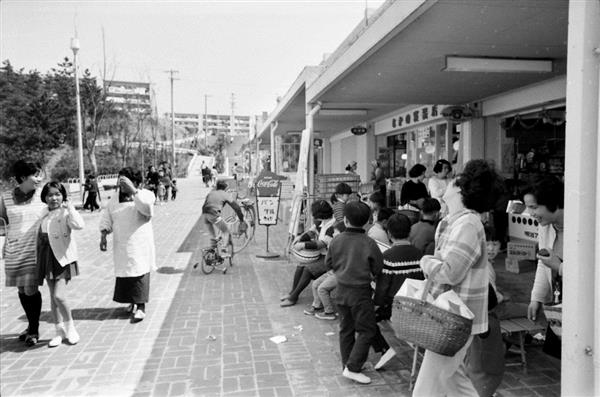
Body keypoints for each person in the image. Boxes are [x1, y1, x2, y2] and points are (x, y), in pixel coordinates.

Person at [414, 159, 503, 396]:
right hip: (452, 315)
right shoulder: (456, 221)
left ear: (460, 190)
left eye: (455, 180)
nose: (448, 182)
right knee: (455, 384)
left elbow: (450, 271)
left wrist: (425, 261)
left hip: (454, 319)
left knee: (427, 388)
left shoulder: (467, 224)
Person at [326, 201, 384, 385]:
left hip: (341, 290)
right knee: (367, 330)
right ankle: (352, 368)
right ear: (368, 221)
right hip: (361, 292)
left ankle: (348, 364)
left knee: (346, 329)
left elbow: (329, 264)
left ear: (345, 220)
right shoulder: (369, 242)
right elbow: (378, 267)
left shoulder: (336, 240)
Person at [99, 167, 156, 323]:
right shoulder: (115, 198)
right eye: (121, 181)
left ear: (136, 182)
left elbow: (147, 210)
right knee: (126, 272)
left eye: (126, 182)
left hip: (139, 243)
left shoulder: (146, 194)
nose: (122, 186)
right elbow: (107, 216)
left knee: (139, 270)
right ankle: (132, 302)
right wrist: (103, 234)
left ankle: (141, 306)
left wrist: (134, 192)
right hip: (122, 243)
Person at [1, 160, 45, 346]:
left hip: (34, 250)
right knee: (21, 289)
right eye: (35, 175)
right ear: (21, 178)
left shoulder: (42, 197)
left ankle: (34, 330)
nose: (39, 179)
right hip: (14, 250)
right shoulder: (5, 198)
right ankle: (30, 325)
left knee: (30, 289)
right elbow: (2, 222)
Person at [372, 213, 424, 370]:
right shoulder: (420, 254)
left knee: (364, 318)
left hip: (394, 307)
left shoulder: (387, 257)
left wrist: (375, 304)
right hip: (416, 305)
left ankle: (384, 349)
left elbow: (382, 288)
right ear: (410, 232)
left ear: (389, 233)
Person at [38, 181, 84, 347]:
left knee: (59, 295)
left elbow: (79, 225)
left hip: (63, 258)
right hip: (47, 257)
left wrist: (71, 208)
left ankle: (71, 327)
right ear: (44, 197)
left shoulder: (65, 213)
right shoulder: (43, 213)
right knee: (52, 296)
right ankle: (59, 331)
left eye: (57, 194)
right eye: (50, 195)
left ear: (63, 196)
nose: (54, 198)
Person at [524, 176, 564, 359]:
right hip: (557, 302)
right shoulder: (546, 226)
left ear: (553, 202)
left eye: (533, 207)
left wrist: (559, 266)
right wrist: (536, 298)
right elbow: (544, 261)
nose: (530, 213)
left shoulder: (582, 226)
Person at [282, 200, 335, 307]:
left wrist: (303, 245)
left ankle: (293, 297)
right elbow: (311, 232)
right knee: (300, 266)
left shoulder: (333, 226)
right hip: (321, 255)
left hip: (330, 258)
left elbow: (322, 244)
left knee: (308, 269)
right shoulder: (320, 222)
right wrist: (300, 238)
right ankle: (292, 292)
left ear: (320, 215)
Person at [304, 222, 346, 320]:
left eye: (336, 232)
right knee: (315, 284)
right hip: (332, 271)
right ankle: (317, 305)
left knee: (322, 289)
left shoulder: (344, 246)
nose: (334, 234)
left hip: (339, 273)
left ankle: (329, 312)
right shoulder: (334, 242)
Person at [201, 180, 246, 257]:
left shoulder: (211, 193)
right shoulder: (225, 194)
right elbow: (237, 208)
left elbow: (209, 203)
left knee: (213, 236)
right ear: (225, 188)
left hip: (204, 215)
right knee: (225, 231)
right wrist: (241, 220)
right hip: (214, 215)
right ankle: (224, 249)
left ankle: (212, 253)